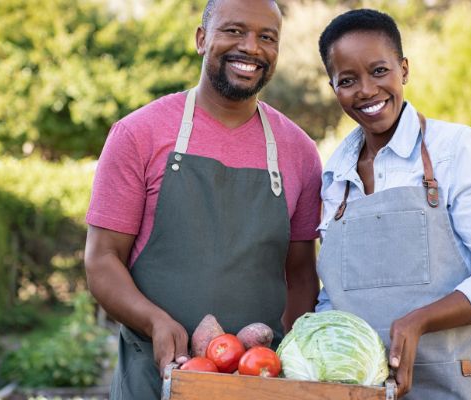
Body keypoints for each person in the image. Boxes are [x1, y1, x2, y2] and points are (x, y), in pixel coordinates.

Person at [83, 0, 322, 398]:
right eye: (233, 31)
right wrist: (155, 322)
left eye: (267, 37)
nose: (251, 47)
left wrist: (288, 361)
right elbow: (102, 259)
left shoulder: (299, 151)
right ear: (201, 39)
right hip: (153, 377)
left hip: (259, 379)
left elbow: (300, 275)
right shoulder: (138, 134)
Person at [314, 9, 471, 399]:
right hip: (365, 390)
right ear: (333, 87)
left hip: (459, 382)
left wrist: (420, 321)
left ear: (404, 70)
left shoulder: (457, 150)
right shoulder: (336, 178)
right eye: (347, 80)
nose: (365, 90)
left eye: (379, 71)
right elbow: (335, 295)